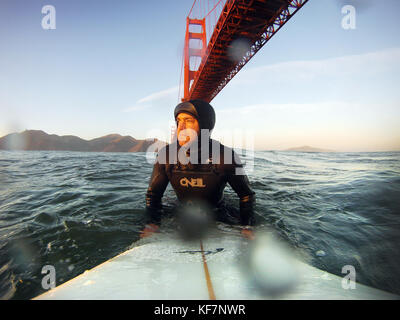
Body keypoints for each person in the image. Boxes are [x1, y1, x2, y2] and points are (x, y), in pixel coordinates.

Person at [141, 99, 255, 239]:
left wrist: (247, 227)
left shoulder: (225, 157)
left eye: (188, 120)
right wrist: (152, 224)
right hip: (180, 210)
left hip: (218, 213)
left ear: (205, 125)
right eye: (178, 121)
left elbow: (246, 196)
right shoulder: (166, 155)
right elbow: (153, 195)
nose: (181, 128)